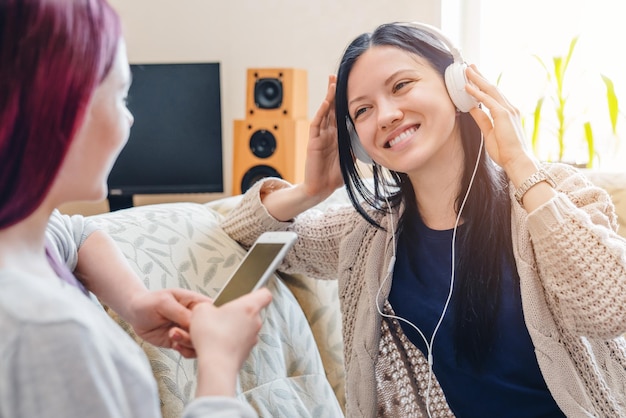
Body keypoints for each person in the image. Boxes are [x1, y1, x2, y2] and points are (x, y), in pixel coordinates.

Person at [220, 21, 626, 417]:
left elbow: (610, 309)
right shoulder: (367, 234)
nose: (386, 115)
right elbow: (247, 231)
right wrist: (309, 190)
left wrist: (520, 165)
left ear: (458, 86)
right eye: (363, 110)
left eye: (401, 86)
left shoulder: (555, 194)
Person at [0, 0, 271, 417]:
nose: (129, 121)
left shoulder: (22, 235)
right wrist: (220, 364)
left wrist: (136, 301)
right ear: (61, 109)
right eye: (121, 97)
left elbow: (73, 234)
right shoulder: (45, 334)